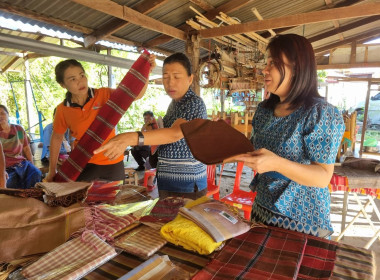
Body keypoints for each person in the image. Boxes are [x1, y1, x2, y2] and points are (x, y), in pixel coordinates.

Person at [96, 35, 345, 237]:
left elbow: (322, 176)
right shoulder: (264, 110)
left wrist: (275, 163)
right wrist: (215, 140)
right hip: (263, 211)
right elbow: (251, 151)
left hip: (305, 220)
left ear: (298, 67)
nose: (265, 69)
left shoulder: (321, 113)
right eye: (266, 62)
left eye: (273, 63)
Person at [96, 53, 208, 199]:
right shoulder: (174, 104)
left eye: (176, 77)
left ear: (190, 79)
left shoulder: (194, 103)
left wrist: (130, 138)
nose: (170, 83)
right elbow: (166, 135)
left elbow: (175, 134)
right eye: (166, 77)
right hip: (167, 180)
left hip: (187, 184)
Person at [45, 55, 156, 182]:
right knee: (84, 200)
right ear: (62, 85)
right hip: (83, 163)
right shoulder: (63, 109)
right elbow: (56, 138)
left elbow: (134, 95)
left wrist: (148, 71)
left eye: (82, 75)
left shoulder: (103, 95)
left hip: (113, 160)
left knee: (113, 200)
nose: (80, 81)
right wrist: (52, 170)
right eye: (72, 79)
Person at [0, 105, 42, 189]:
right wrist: (2, 172)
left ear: (8, 114)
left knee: (36, 173)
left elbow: (26, 148)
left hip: (21, 164)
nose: (0, 116)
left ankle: (31, 198)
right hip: (6, 168)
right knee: (8, 184)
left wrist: (32, 164)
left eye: (2, 113)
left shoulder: (18, 129)